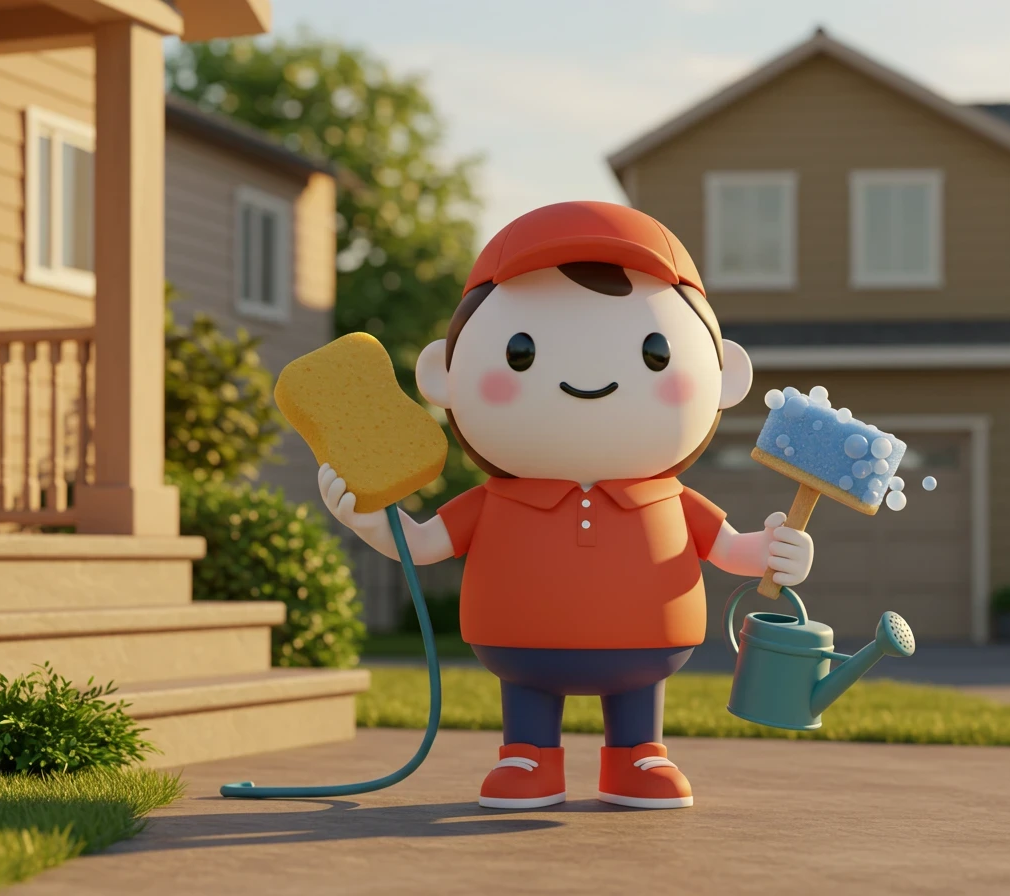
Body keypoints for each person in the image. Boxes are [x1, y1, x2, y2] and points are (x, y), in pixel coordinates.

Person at [320, 200, 812, 810]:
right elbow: (421, 545)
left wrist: (774, 550)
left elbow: (732, 548)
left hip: (646, 646)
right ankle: (527, 755)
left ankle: (638, 753)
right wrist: (368, 520)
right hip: (521, 645)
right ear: (443, 375)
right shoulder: (496, 499)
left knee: (637, 716)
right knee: (528, 707)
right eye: (520, 351)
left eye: (655, 353)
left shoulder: (671, 499)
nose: (589, 376)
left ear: (725, 374)